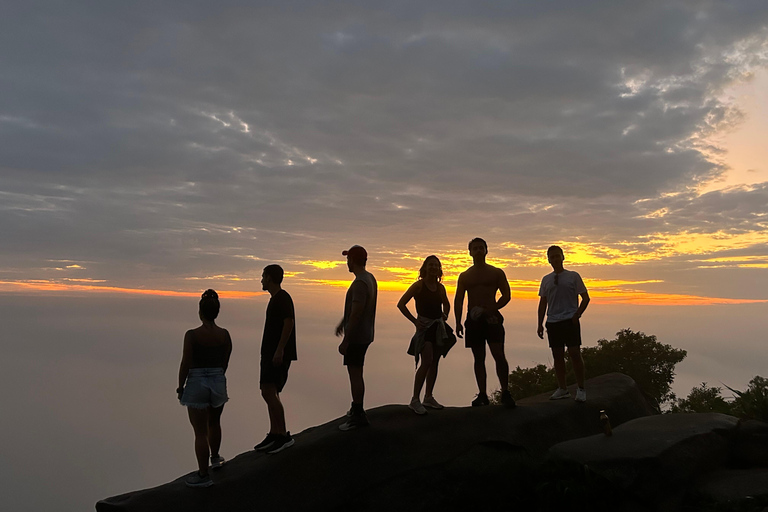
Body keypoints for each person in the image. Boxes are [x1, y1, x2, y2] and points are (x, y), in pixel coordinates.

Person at [177, 289, 233, 488]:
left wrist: (180, 387)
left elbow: (185, 363)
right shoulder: (224, 335)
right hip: (218, 379)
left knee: (200, 432)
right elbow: (225, 361)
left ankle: (203, 474)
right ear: (217, 312)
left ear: (200, 312)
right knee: (215, 422)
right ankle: (215, 458)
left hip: (197, 382)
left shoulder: (192, 335)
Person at [454, 238, 516, 408]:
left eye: (481, 248)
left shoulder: (496, 273)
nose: (478, 251)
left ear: (486, 250)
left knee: (498, 354)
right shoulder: (465, 276)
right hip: (473, 320)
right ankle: (482, 394)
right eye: (475, 248)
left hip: (492, 318)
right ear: (470, 252)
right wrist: (458, 322)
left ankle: (505, 392)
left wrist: (492, 308)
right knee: (478, 358)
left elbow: (506, 295)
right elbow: (459, 299)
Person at [397, 255, 455, 414]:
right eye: (431, 265)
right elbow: (401, 304)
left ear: (439, 269)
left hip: (437, 328)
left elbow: (446, 304)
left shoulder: (440, 288)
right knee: (427, 361)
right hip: (424, 328)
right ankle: (415, 399)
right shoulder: (418, 286)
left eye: (436, 265)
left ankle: (428, 396)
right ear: (425, 268)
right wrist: (415, 321)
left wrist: (445, 315)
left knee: (434, 362)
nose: (434, 268)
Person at [537, 245, 590, 402]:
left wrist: (577, 314)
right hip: (553, 322)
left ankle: (581, 388)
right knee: (557, 356)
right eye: (552, 257)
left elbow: (585, 298)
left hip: (569, 321)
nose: (555, 259)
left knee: (575, 354)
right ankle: (562, 388)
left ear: (563, 257)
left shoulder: (573, 276)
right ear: (548, 260)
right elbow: (543, 302)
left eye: (557, 256)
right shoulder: (546, 279)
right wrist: (540, 323)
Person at [253, 264, 298, 453]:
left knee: (269, 392)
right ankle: (274, 432)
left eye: (263, 276)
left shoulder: (282, 298)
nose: (262, 280)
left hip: (276, 354)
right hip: (270, 353)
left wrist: (280, 350)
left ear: (270, 278)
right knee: (269, 391)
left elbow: (289, 322)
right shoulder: (276, 299)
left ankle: (282, 435)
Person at [335, 245, 377, 430]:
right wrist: (342, 323)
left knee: (355, 374)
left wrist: (346, 340)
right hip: (365, 334)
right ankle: (356, 408)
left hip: (357, 337)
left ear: (352, 260)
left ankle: (358, 414)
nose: (347, 263)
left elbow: (357, 311)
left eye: (348, 259)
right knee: (357, 372)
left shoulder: (360, 283)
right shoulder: (370, 278)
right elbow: (356, 309)